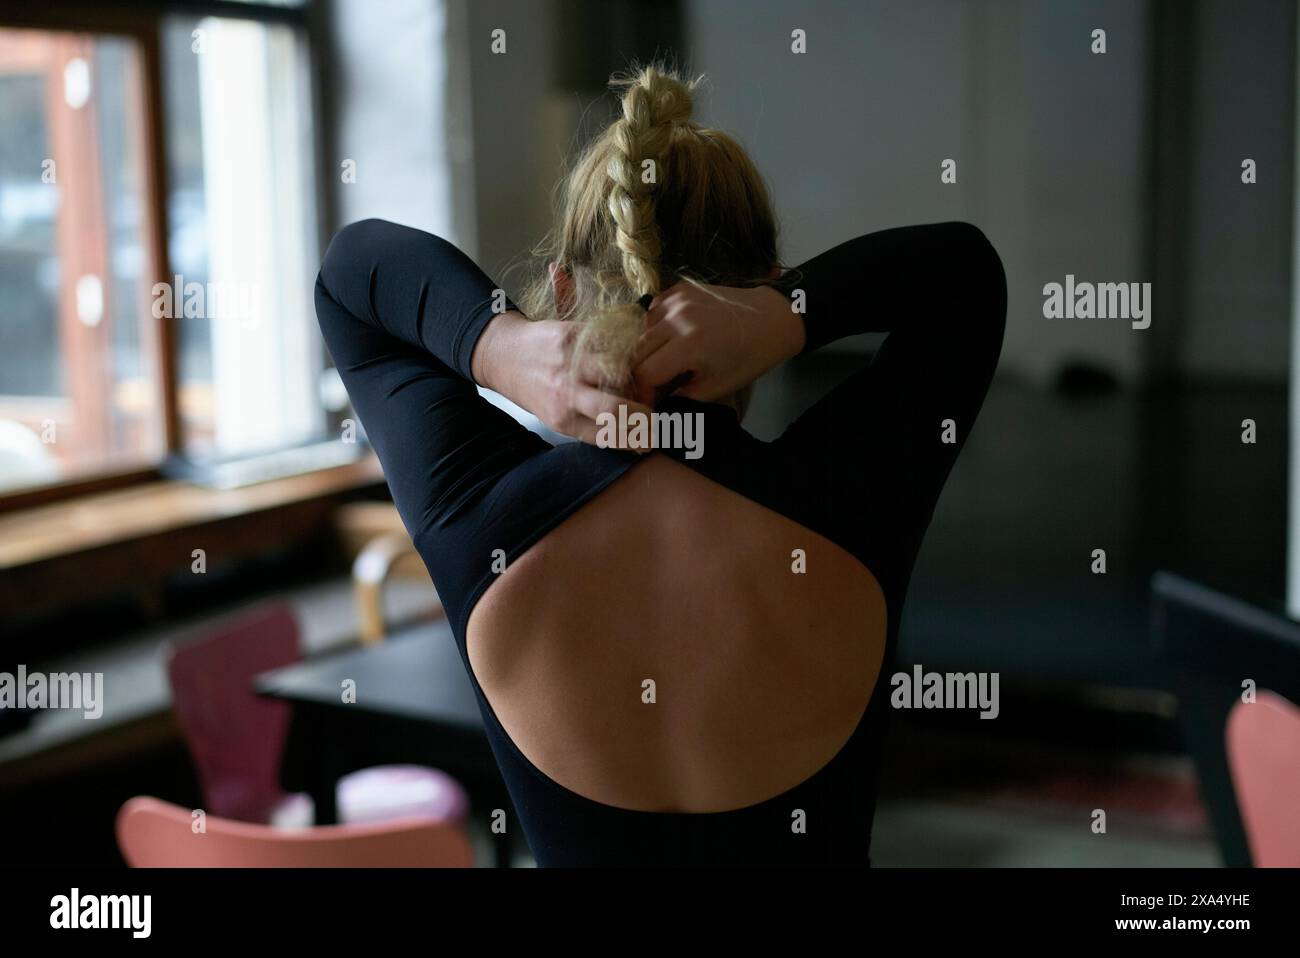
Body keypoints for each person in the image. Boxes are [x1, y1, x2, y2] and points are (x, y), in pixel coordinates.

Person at [314, 63, 1006, 866]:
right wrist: (792, 317)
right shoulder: (848, 501)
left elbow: (350, 274)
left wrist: (498, 346)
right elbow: (964, 275)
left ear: (561, 289)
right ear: (763, 288)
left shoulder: (475, 517)